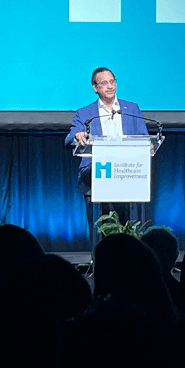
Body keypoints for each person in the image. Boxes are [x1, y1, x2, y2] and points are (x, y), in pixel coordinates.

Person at [65, 67, 148, 246]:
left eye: (112, 82)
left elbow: (144, 138)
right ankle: (99, 258)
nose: (110, 86)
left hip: (127, 174)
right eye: (104, 83)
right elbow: (70, 137)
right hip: (96, 175)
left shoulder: (131, 109)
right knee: (100, 229)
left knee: (127, 231)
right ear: (95, 88)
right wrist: (78, 136)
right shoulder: (85, 113)